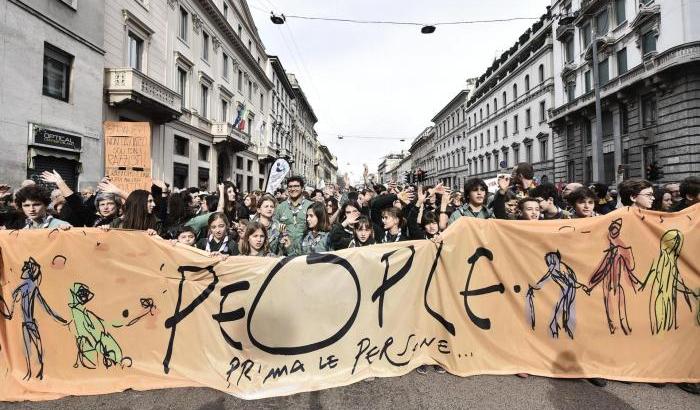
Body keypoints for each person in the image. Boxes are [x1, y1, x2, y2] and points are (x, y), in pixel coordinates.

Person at [274, 176, 314, 252]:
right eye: (290, 186)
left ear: (302, 188)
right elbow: (275, 227)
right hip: (286, 251)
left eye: (296, 186)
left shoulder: (311, 206)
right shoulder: (280, 207)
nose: (293, 189)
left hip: (306, 251)